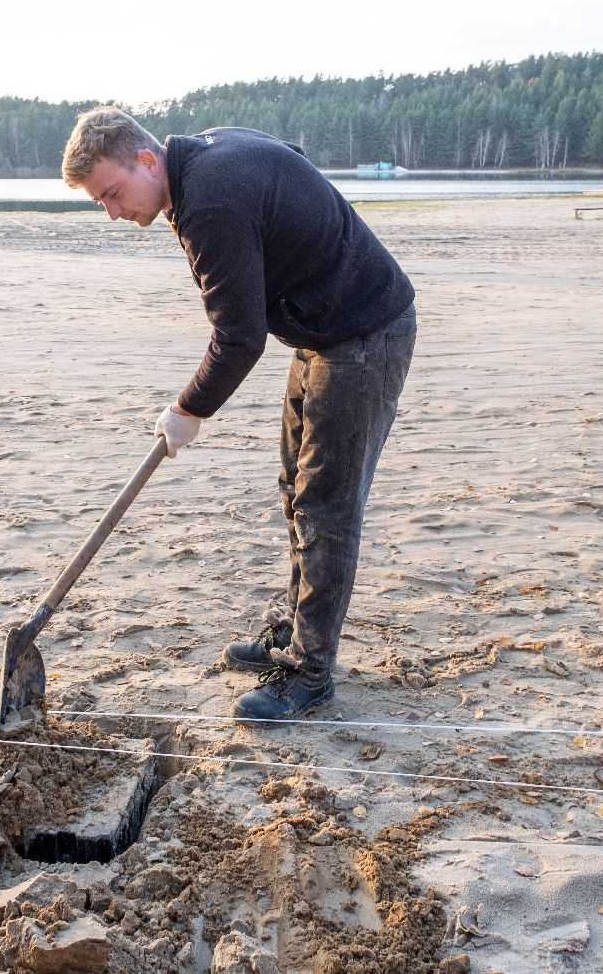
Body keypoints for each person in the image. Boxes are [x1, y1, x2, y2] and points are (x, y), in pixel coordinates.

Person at [61, 107, 416, 722]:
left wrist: (187, 410)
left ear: (148, 161)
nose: (113, 212)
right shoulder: (207, 157)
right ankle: (300, 627)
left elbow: (240, 336)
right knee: (296, 488)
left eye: (113, 193)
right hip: (324, 328)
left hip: (363, 333)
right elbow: (293, 156)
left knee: (326, 504)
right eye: (101, 203)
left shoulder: (210, 201)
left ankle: (309, 673)